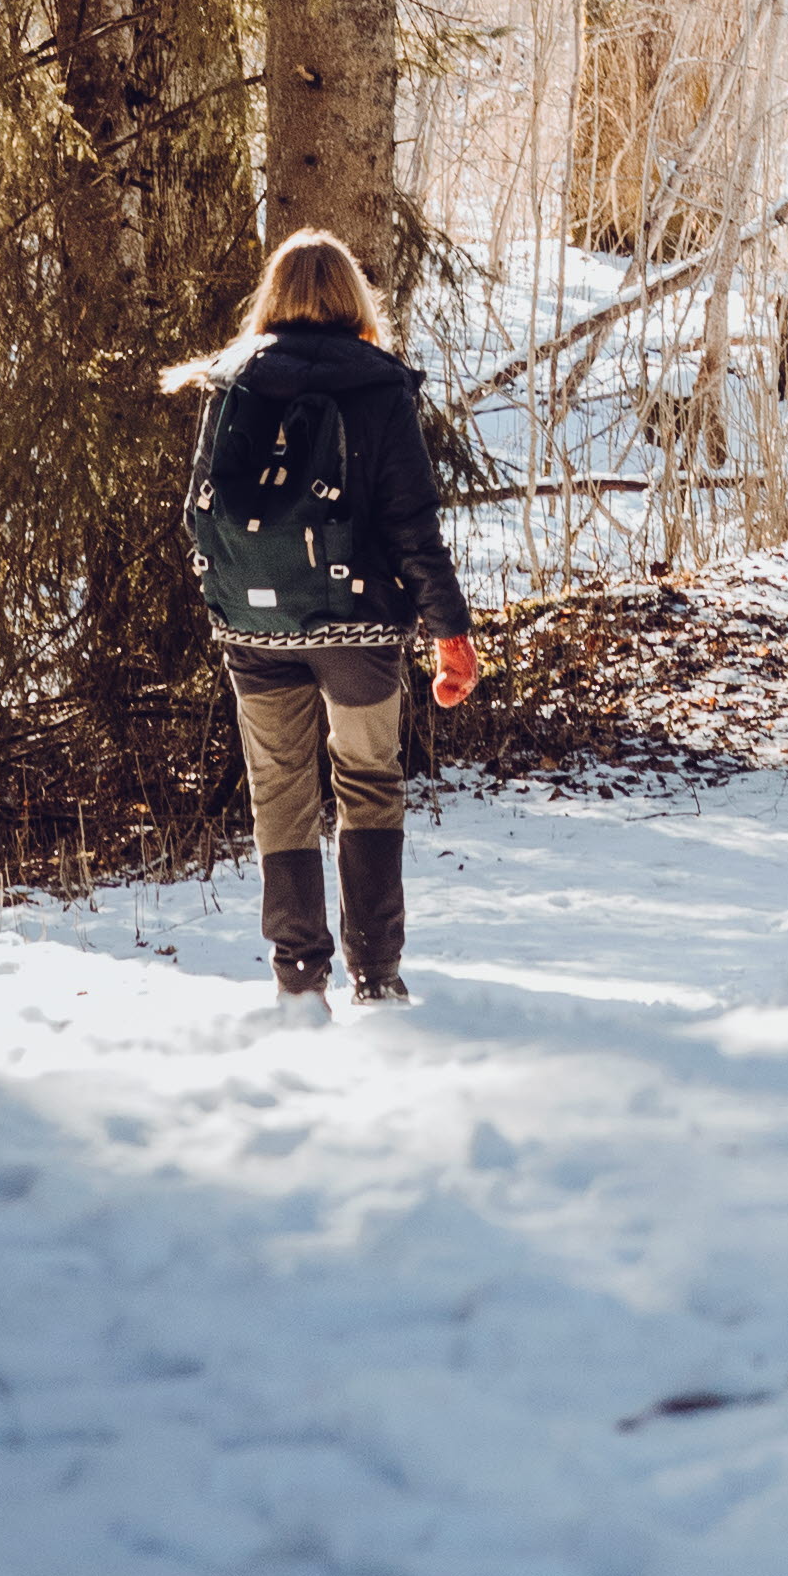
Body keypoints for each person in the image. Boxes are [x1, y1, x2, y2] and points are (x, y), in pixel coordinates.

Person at [164, 232, 480, 1008]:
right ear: (353, 299)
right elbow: (412, 525)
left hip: (251, 628)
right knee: (368, 780)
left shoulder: (229, 379)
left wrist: (233, 599)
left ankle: (297, 979)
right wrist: (450, 632)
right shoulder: (378, 385)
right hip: (359, 627)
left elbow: (196, 511)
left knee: (278, 790)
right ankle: (375, 977)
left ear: (270, 296)